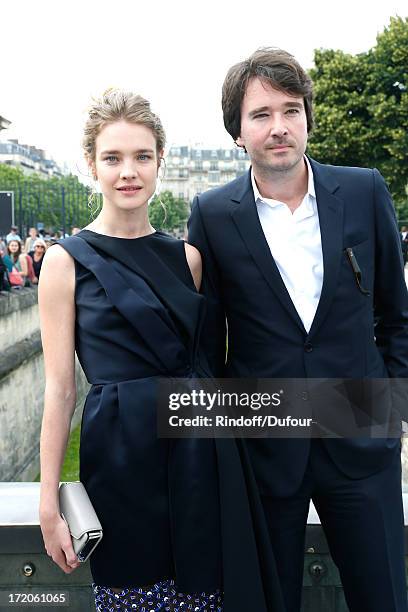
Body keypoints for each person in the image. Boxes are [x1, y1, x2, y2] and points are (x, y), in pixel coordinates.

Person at [39, 89, 284, 612]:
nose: (128, 171)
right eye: (113, 157)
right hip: (120, 458)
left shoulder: (190, 259)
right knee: (131, 592)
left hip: (200, 448)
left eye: (142, 157)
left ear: (160, 162)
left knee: (206, 593)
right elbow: (60, 391)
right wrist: (48, 503)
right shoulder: (64, 262)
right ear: (91, 165)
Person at [188, 47, 408, 612]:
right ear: (237, 131)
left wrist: (395, 408)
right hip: (265, 438)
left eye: (291, 110)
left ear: (308, 116)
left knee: (383, 596)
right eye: (261, 114)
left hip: (361, 427)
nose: (279, 127)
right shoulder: (212, 213)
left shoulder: (363, 191)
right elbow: (208, 346)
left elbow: (396, 315)